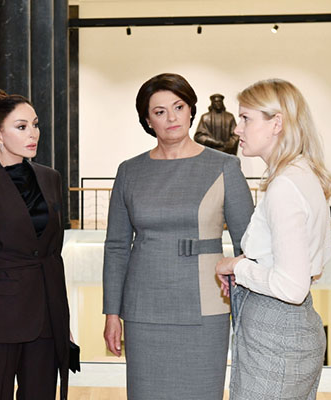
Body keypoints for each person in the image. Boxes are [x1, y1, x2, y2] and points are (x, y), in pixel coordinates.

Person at [102, 73, 254, 399]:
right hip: (143, 307)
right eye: (160, 111)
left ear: (191, 110)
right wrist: (112, 313)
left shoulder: (225, 166)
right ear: (148, 120)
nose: (172, 118)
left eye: (179, 107)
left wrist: (248, 308)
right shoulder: (129, 171)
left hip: (207, 304)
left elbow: (249, 245)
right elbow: (116, 247)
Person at [216, 79, 331, 400]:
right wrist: (245, 263)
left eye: (246, 118)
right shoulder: (304, 174)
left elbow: (291, 287)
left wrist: (236, 267)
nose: (237, 129)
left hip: (275, 334)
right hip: (294, 330)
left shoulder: (284, 186)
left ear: (276, 124)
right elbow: (308, 264)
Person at [0, 86, 70, 400]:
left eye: (35, 124)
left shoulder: (51, 178)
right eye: (21, 127)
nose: (33, 133)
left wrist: (61, 318)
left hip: (46, 320)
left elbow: (53, 255)